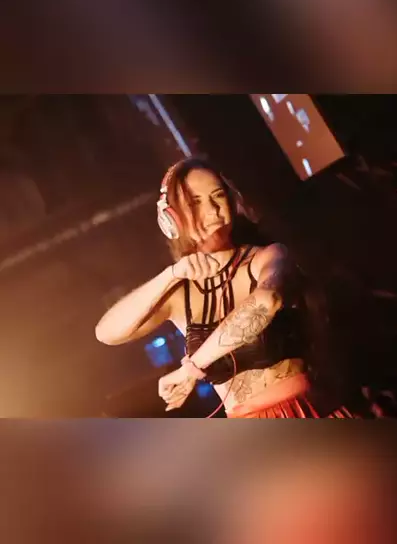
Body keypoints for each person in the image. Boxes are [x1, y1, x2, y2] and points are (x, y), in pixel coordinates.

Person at [95, 157, 354, 418]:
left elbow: (266, 301)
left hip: (304, 410)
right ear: (171, 219)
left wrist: (191, 368)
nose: (213, 211)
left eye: (218, 196)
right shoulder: (180, 292)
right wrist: (170, 275)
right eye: (195, 203)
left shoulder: (267, 257)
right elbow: (107, 333)